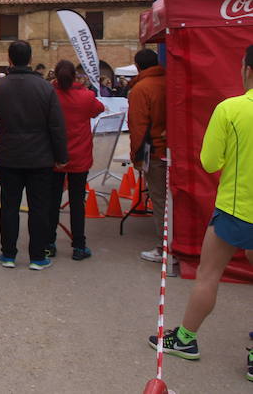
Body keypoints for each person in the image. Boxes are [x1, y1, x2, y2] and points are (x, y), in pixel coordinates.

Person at [148, 45, 253, 383]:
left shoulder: (231, 108)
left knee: (209, 275)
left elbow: (210, 162)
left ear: (247, 69)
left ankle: (186, 339)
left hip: (237, 209)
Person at [0, 40, 68, 270]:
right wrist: (61, 155)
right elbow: (56, 125)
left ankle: (8, 253)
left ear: (10, 59)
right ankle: (37, 255)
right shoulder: (45, 88)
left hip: (8, 153)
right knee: (39, 207)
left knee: (9, 206)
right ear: (30, 59)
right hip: (39, 156)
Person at [47, 60, 104, 261]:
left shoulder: (50, 95)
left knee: (52, 201)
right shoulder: (85, 97)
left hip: (54, 156)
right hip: (79, 157)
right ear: (74, 77)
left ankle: (49, 243)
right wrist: (83, 87)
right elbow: (100, 108)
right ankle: (79, 245)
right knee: (77, 202)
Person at [128, 48, 168, 263]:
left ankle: (165, 247)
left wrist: (137, 157)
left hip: (154, 151)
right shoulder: (170, 81)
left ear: (137, 66)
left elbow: (138, 126)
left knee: (159, 198)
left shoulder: (141, 89)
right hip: (172, 149)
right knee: (171, 198)